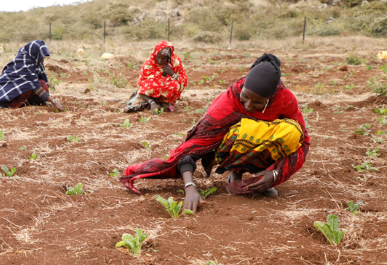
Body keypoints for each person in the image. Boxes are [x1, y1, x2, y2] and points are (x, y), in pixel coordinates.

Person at [120, 53, 310, 211]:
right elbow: (193, 146)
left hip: (265, 148)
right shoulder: (230, 98)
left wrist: (275, 174)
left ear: (270, 98)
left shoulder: (285, 100)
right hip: (230, 148)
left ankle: (261, 178)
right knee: (243, 130)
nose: (248, 105)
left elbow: (303, 143)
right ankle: (235, 172)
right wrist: (190, 186)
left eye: (258, 103)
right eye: (245, 96)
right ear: (242, 87)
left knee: (292, 132)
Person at [0, 40, 64, 110]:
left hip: (22, 89)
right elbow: (35, 86)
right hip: (10, 93)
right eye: (41, 56)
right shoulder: (24, 63)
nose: (42, 58)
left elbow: (37, 82)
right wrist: (54, 102)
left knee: (42, 84)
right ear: (35, 53)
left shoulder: (35, 61)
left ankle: (35, 102)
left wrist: (44, 101)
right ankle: (12, 104)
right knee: (37, 84)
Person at [124, 40, 188, 113]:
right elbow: (142, 88)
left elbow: (184, 80)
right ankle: (151, 102)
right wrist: (152, 103)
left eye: (163, 59)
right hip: (148, 97)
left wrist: (172, 74)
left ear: (169, 58)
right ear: (155, 54)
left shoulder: (175, 63)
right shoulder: (149, 65)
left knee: (174, 85)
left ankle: (165, 103)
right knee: (150, 85)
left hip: (165, 97)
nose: (160, 61)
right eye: (158, 57)